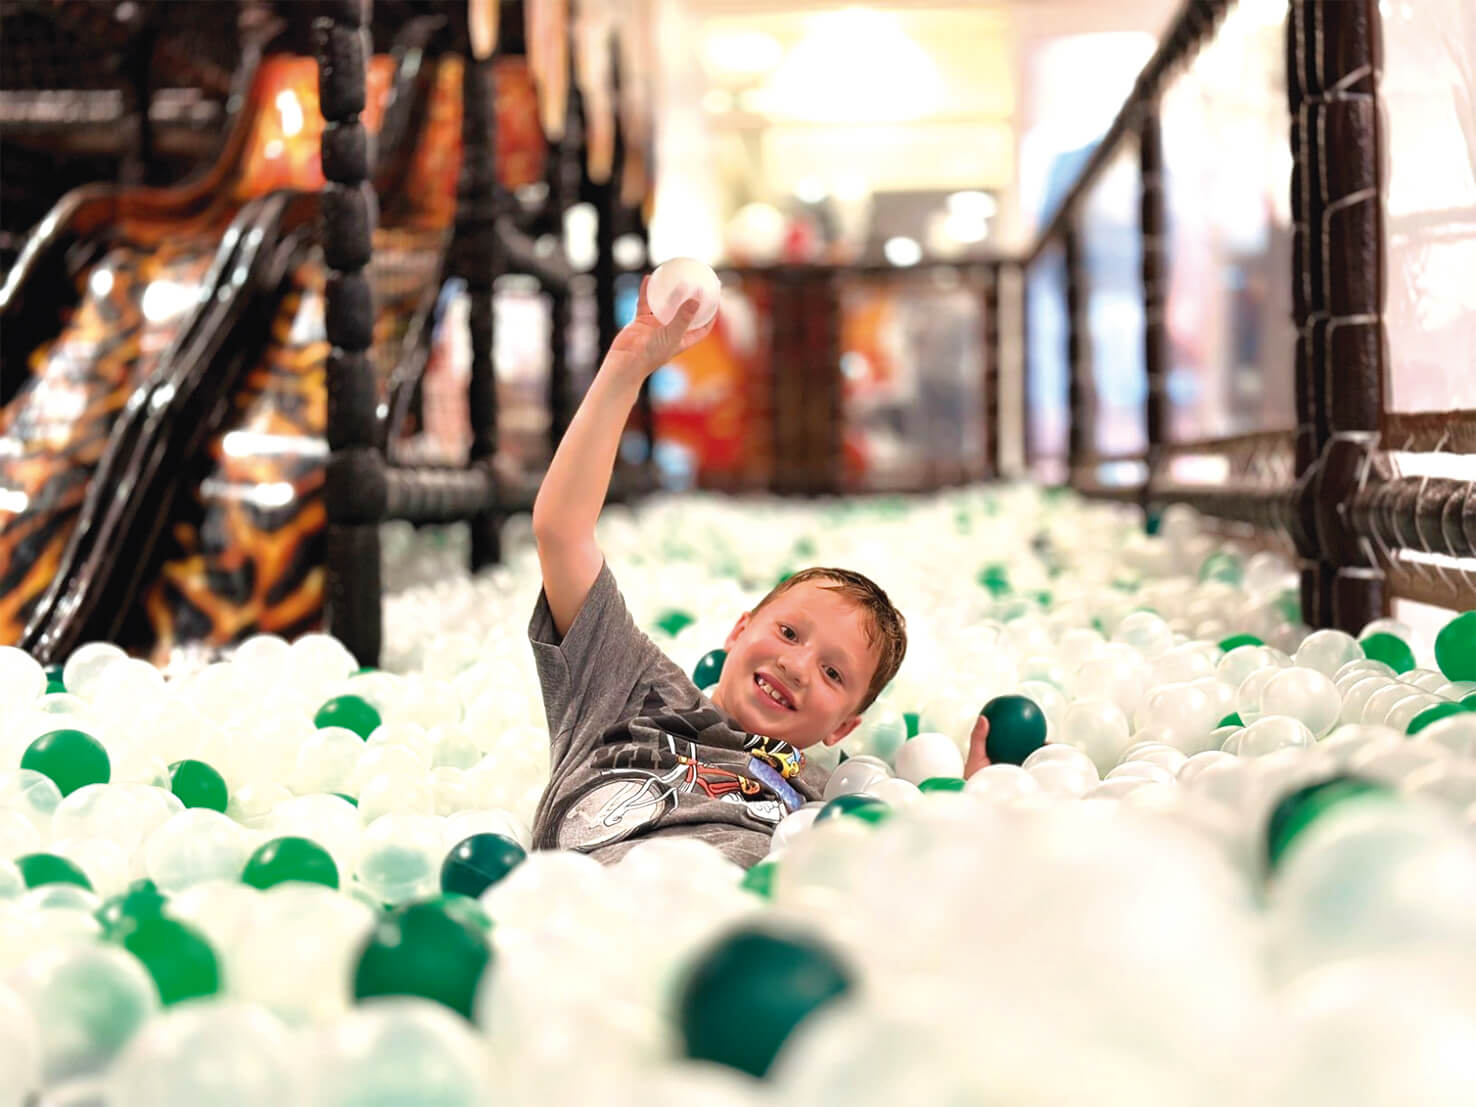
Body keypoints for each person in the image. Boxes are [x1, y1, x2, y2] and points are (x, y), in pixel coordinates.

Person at [528, 279, 989, 867]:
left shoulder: (827, 801)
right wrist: (626, 367)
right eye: (789, 633)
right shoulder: (633, 690)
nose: (795, 666)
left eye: (832, 672)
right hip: (573, 915)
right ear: (738, 630)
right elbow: (562, 533)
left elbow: (911, 875)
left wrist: (981, 806)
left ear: (843, 728)